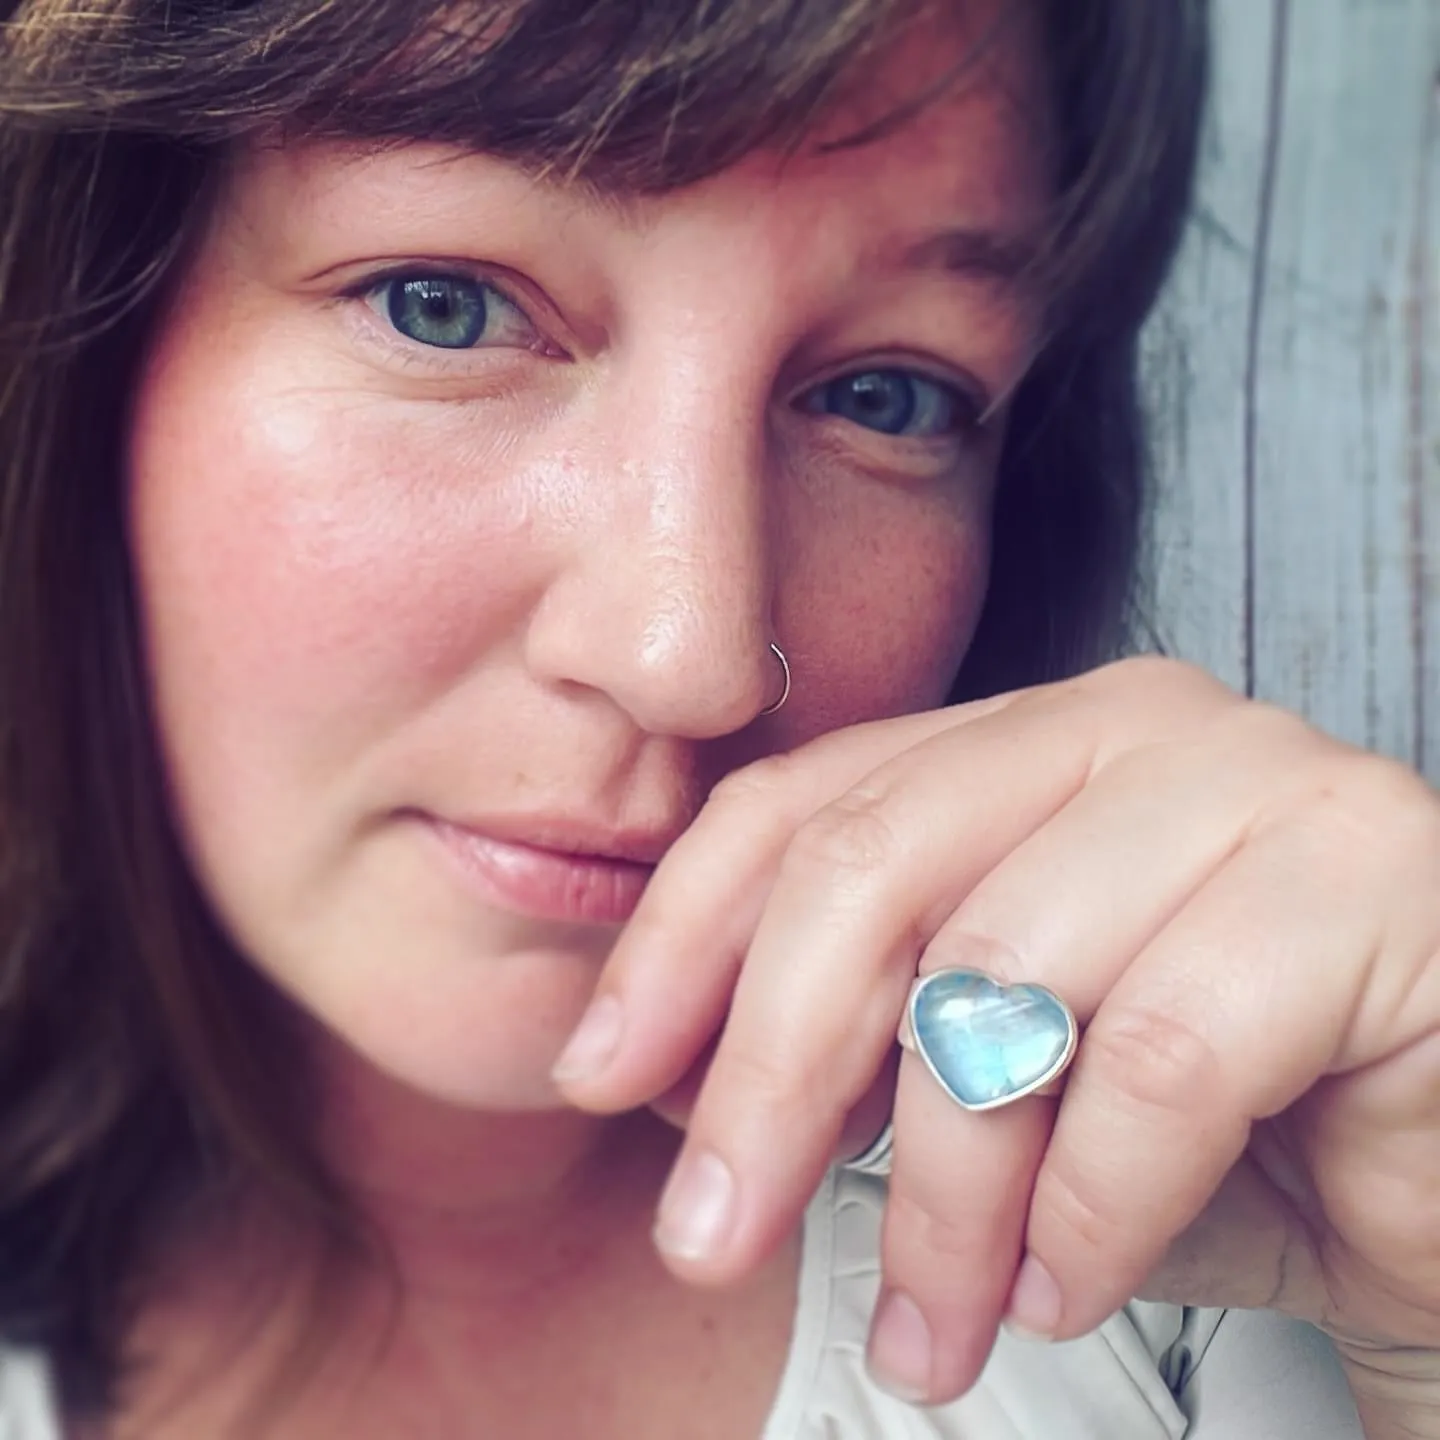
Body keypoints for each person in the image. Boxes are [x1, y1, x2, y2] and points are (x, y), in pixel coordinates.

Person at [0, 0, 1437, 1435]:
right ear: (86, 350)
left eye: (887, 397)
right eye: (445, 304)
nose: (691, 655)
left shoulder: (1210, 1235)